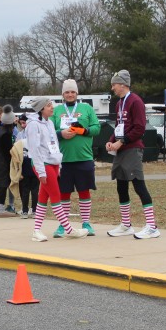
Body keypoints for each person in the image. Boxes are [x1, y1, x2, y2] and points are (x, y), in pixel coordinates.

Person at [105, 70, 160, 239]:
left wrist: (121, 142)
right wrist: (111, 140)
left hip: (132, 149)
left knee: (138, 184)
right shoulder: (119, 103)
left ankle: (152, 226)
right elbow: (119, 126)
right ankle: (126, 224)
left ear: (123, 84)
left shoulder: (135, 101)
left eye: (114, 84)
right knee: (121, 185)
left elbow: (139, 128)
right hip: (121, 150)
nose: (113, 88)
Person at [27, 97, 89, 241]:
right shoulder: (33, 125)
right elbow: (34, 149)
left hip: (53, 163)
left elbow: (54, 144)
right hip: (43, 164)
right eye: (49, 105)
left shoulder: (49, 123)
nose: (52, 107)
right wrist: (41, 171)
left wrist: (58, 164)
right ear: (41, 108)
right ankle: (69, 229)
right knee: (56, 197)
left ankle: (36, 231)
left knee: (43, 198)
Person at [51, 79, 100, 237]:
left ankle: (86, 223)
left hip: (84, 157)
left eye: (73, 92)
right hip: (63, 160)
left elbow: (97, 128)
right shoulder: (57, 110)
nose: (70, 94)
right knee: (64, 193)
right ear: (63, 94)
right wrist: (61, 134)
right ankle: (63, 225)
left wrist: (83, 131)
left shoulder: (87, 108)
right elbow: (48, 131)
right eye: (67, 92)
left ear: (77, 93)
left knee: (84, 191)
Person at [0, 105, 18, 217]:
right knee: (3, 184)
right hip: (4, 162)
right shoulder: (6, 134)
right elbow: (8, 150)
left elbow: (0, 124)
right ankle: (1, 209)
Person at [15, 114, 40, 218]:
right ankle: (25, 210)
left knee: (34, 189)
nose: (23, 125)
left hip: (34, 162)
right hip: (24, 163)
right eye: (21, 123)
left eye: (24, 123)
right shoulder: (20, 134)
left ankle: (34, 210)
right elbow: (16, 149)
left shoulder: (37, 133)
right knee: (24, 189)